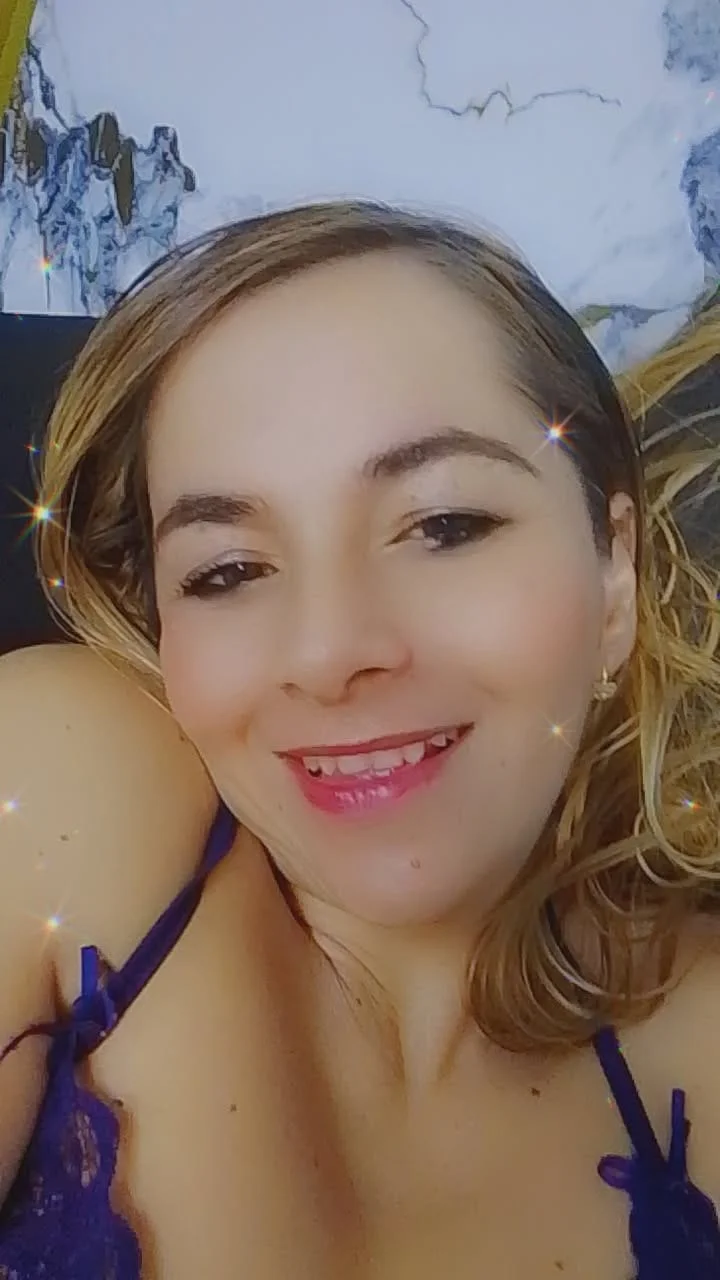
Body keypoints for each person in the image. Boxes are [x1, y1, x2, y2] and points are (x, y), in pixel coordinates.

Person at [1, 201, 720, 1279]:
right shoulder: (68, 782)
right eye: (227, 571)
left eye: (443, 525)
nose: (329, 652)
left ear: (612, 575)